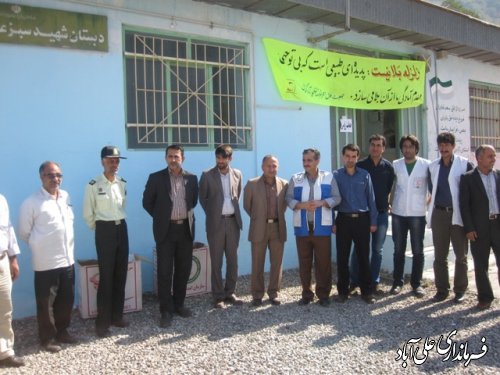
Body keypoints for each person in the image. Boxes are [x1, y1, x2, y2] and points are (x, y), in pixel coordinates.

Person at [18, 162, 77, 353]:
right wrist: (39, 245)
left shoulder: (65, 196)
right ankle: (47, 338)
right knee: (46, 303)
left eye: (59, 175)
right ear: (41, 177)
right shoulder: (31, 202)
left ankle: (62, 332)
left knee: (65, 299)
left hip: (67, 259)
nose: (55, 179)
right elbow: (24, 232)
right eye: (50, 175)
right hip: (45, 262)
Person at [143, 145, 199, 328]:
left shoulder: (191, 178)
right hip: (165, 231)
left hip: (185, 230)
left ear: (183, 157)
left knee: (183, 269)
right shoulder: (156, 178)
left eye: (176, 156)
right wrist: (162, 218)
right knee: (165, 271)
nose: (173, 159)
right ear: (165, 158)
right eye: (170, 156)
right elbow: (147, 202)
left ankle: (179, 304)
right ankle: (165, 310)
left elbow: (193, 201)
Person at [83, 146, 129, 337]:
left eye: (117, 160)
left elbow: (122, 206)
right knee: (107, 276)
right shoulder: (94, 185)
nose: (114, 164)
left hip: (121, 228)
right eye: (111, 160)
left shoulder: (122, 183)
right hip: (104, 230)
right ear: (102, 161)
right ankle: (102, 323)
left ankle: (116, 316)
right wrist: (101, 230)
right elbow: (88, 213)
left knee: (120, 274)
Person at [285, 148, 341, 306]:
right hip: (302, 228)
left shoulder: (328, 177)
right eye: (304, 160)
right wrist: (300, 205)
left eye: (309, 160)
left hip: (322, 228)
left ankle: (323, 295)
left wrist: (322, 202)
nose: (306, 163)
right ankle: (306, 294)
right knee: (304, 263)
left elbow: (337, 198)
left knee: (323, 263)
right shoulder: (295, 179)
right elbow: (288, 198)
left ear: (317, 161)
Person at [427, 132, 473, 303]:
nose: (444, 148)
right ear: (438, 146)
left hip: (458, 214)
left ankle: (460, 290)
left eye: (447, 145)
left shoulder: (464, 164)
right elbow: (433, 189)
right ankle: (441, 289)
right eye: (441, 145)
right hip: (439, 214)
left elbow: (470, 190)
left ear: (453, 146)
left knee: (461, 254)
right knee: (440, 255)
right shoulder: (433, 166)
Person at [349, 135, 395, 295]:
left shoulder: (388, 167)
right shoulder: (360, 166)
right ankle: (354, 281)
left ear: (383, 148)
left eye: (379, 145)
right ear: (369, 147)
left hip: (381, 215)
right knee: (359, 249)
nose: (375, 148)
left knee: (377, 250)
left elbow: (388, 189)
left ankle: (373, 282)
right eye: (373, 145)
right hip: (363, 215)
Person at [199, 144, 243, 308]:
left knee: (233, 260)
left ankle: (230, 292)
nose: (220, 161)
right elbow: (202, 198)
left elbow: (237, 194)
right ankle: (218, 296)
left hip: (233, 222)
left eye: (223, 158)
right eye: (218, 157)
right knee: (216, 260)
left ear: (230, 158)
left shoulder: (237, 174)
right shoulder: (207, 175)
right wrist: (213, 213)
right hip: (215, 223)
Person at [334, 144, 378, 304]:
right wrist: (333, 222)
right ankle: (342, 292)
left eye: (353, 156)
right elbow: (331, 200)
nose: (350, 159)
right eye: (347, 156)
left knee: (363, 257)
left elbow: (371, 199)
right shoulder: (336, 175)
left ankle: (367, 291)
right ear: (343, 157)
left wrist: (373, 221)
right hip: (343, 220)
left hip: (362, 219)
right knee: (342, 257)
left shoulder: (365, 175)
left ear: (357, 157)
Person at [243, 155, 288, 307]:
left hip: (277, 227)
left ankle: (273, 293)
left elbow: (284, 206)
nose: (271, 169)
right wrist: (258, 218)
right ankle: (257, 295)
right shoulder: (252, 184)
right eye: (269, 166)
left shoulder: (284, 184)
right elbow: (247, 206)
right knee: (257, 263)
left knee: (277, 263)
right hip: (259, 228)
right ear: (263, 167)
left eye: (274, 166)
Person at [459, 144, 500, 310]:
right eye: (490, 156)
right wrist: (468, 228)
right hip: (479, 227)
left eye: (494, 156)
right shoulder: (468, 178)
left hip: (497, 224)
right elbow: (464, 206)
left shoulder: (498, 176)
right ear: (479, 158)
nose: (494, 159)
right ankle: (485, 297)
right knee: (480, 265)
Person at [390, 135, 430, 298]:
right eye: (404, 146)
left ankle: (416, 284)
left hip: (417, 214)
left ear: (416, 148)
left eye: (411, 146)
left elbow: (434, 187)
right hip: (398, 213)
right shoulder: (396, 165)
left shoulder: (426, 165)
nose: (407, 149)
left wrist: (426, 203)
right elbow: (391, 186)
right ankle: (397, 283)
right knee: (398, 249)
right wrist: (389, 203)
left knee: (418, 250)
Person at [0, 194, 24, 368]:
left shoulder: (1, 199)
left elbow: (8, 229)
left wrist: (13, 259)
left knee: (4, 309)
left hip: (1, 260)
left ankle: (5, 352)